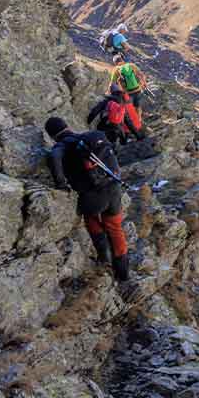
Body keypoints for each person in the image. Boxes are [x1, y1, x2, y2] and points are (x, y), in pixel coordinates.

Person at [44, 116, 130, 281]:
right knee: (115, 228)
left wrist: (61, 184)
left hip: (93, 197)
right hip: (113, 188)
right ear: (67, 125)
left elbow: (54, 157)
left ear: (52, 135)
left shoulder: (63, 145)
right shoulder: (88, 139)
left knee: (90, 218)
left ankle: (104, 258)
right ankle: (123, 273)